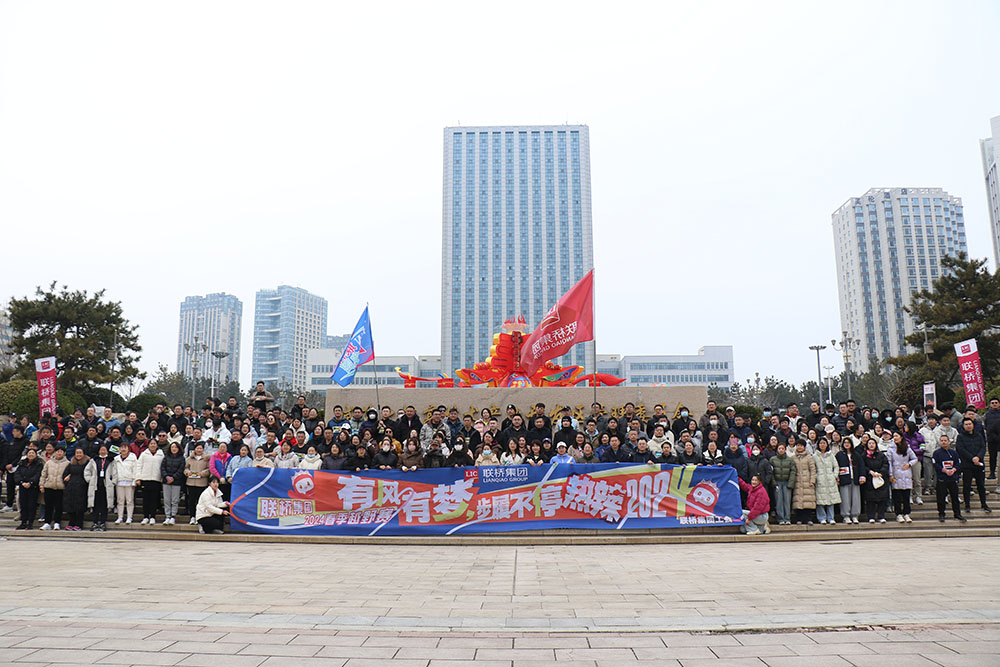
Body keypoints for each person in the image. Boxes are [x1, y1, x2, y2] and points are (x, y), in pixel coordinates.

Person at [955, 417, 992, 515]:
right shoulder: (960, 437)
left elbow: (983, 447)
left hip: (979, 464)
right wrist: (972, 458)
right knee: (967, 485)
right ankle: (967, 505)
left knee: (981, 485)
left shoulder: (979, 435)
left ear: (973, 425)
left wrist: (978, 457)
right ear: (963, 426)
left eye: (970, 424)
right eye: (966, 424)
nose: (968, 426)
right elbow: (961, 449)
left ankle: (984, 504)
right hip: (967, 465)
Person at [932, 435, 966, 522]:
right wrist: (944, 470)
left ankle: (957, 514)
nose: (943, 442)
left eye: (945, 440)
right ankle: (941, 514)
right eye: (942, 440)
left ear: (949, 442)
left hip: (952, 479)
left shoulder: (954, 453)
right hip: (942, 479)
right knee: (941, 498)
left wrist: (954, 470)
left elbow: (958, 463)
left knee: (955, 497)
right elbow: (935, 464)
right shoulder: (936, 453)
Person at [888, 432, 918, 523]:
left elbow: (915, 458)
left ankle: (906, 513)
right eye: (894, 436)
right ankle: (898, 514)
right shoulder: (891, 448)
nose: (895, 438)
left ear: (901, 437)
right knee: (897, 495)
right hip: (896, 472)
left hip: (906, 473)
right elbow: (889, 462)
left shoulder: (907, 448)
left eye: (897, 436)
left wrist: (909, 464)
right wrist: (890, 474)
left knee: (906, 495)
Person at [63, 447, 95, 531]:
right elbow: (65, 474)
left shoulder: (87, 462)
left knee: (80, 507)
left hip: (82, 487)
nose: (78, 455)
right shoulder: (71, 463)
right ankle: (71, 523)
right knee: (71, 506)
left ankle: (79, 524)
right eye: (77, 453)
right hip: (71, 487)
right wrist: (67, 480)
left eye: (80, 453)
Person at [135, 436, 164, 525]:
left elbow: (163, 467)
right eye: (151, 443)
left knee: (154, 499)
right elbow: (139, 466)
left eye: (154, 443)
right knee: (146, 500)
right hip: (145, 479)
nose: (153, 445)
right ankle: (145, 516)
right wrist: (138, 478)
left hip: (156, 480)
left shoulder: (161, 455)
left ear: (157, 445)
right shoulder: (144, 454)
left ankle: (153, 517)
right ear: (148, 445)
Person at [39, 446, 70, 530]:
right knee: (48, 506)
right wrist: (41, 485)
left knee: (59, 507)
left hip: (61, 488)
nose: (59, 453)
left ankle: (57, 522)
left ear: (64, 453)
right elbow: (43, 474)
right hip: (49, 486)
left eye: (61, 451)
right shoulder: (49, 463)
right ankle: (47, 523)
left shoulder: (67, 463)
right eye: (57, 451)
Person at [14, 447, 43, 530]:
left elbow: (38, 474)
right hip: (22, 486)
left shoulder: (39, 464)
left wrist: (31, 482)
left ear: (36, 455)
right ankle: (23, 522)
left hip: (33, 487)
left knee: (31, 505)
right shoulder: (22, 463)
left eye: (33, 453)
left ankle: (30, 523)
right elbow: (17, 473)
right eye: (29, 453)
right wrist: (21, 482)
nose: (31, 454)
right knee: (23, 505)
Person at [861, 439, 890, 523]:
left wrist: (881, 472)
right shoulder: (864, 455)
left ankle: (881, 516)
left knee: (882, 499)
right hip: (869, 480)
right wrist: (869, 471)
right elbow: (863, 466)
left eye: (873, 443)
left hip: (880, 479)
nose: (871, 445)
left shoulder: (881, 455)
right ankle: (871, 516)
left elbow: (885, 464)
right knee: (870, 500)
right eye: (869, 443)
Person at [836, 438, 863, 524]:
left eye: (848, 442)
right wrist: (837, 477)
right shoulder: (839, 455)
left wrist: (862, 476)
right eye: (845, 443)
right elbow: (836, 466)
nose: (847, 444)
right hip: (844, 479)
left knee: (856, 497)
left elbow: (861, 466)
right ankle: (846, 516)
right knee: (845, 498)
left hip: (855, 479)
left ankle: (855, 515)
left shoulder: (856, 454)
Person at [813, 438, 839, 525]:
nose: (822, 445)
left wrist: (834, 476)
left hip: (830, 480)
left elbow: (836, 466)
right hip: (820, 480)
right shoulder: (815, 456)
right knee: (820, 500)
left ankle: (831, 518)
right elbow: (813, 469)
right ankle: (821, 518)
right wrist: (816, 477)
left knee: (830, 499)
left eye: (824, 443)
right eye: (821, 443)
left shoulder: (830, 455)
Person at [109, 443, 138, 525]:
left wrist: (134, 481)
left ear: (128, 449)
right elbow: (114, 471)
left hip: (130, 481)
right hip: (119, 482)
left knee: (129, 501)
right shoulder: (116, 459)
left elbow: (135, 469)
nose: (123, 449)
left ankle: (129, 517)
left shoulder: (133, 458)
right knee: (120, 501)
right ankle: (120, 517)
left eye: (125, 447)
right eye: (121, 447)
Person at [790, 441, 817, 525]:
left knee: (807, 500)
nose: (800, 447)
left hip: (807, 481)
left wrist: (812, 480)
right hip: (797, 481)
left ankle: (808, 519)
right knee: (798, 501)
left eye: (801, 445)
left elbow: (813, 470)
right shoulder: (793, 457)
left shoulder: (809, 457)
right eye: (798, 445)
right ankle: (799, 519)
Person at [184, 443, 210, 525]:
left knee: (200, 501)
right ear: (195, 449)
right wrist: (187, 472)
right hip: (191, 482)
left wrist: (203, 473)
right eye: (197, 448)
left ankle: (199, 516)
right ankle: (192, 517)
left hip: (201, 482)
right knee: (191, 501)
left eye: (200, 448)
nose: (199, 450)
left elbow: (209, 469)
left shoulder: (206, 459)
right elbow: (186, 468)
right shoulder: (190, 458)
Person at [161, 442, 185, 525]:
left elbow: (181, 469)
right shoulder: (166, 457)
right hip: (166, 481)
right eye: (172, 447)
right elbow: (162, 468)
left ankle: (173, 516)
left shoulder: (182, 458)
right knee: (167, 500)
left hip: (176, 482)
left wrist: (173, 478)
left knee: (174, 500)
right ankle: (167, 516)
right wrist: (166, 476)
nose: (174, 449)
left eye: (175, 447)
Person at [770, 442, 794, 525]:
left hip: (786, 482)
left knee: (787, 501)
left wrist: (791, 483)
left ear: (785, 450)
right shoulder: (773, 459)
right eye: (779, 448)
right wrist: (774, 482)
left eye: (782, 448)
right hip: (777, 482)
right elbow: (771, 472)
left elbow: (793, 472)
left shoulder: (790, 460)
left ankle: (787, 518)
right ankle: (780, 518)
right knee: (779, 501)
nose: (781, 450)